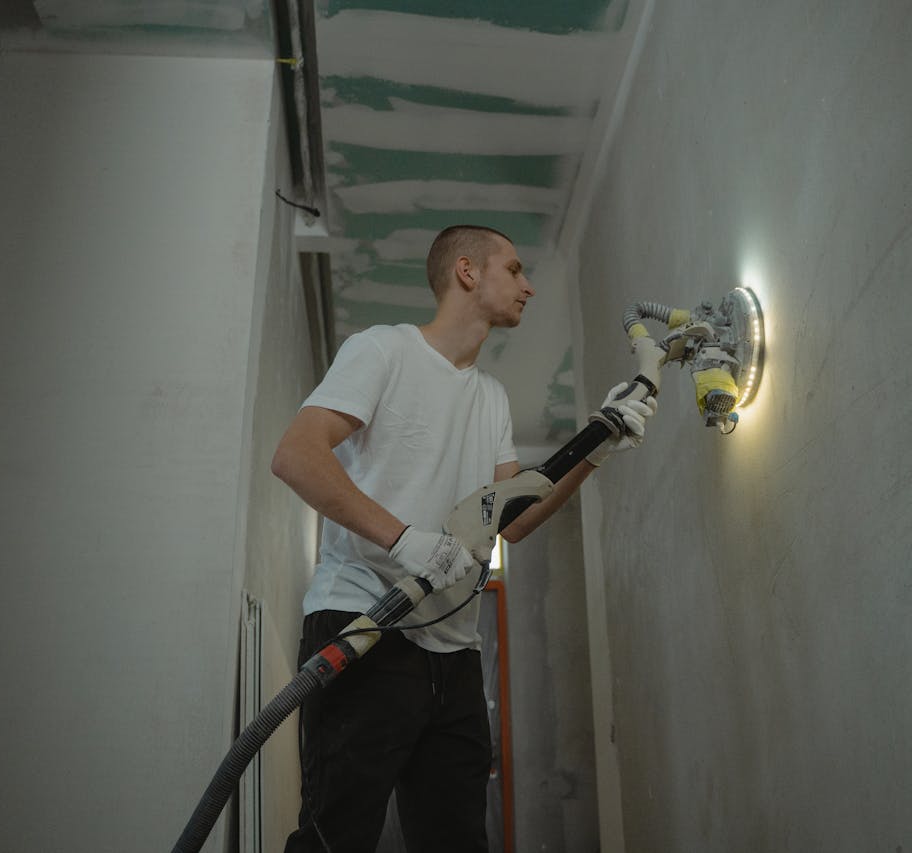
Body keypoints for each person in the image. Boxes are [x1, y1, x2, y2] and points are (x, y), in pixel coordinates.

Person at [271, 224, 655, 852]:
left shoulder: (491, 398)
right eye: (514, 269)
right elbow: (297, 456)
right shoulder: (383, 351)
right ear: (468, 272)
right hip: (365, 626)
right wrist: (403, 540)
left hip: (454, 653)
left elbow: (516, 519)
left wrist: (596, 449)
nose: (528, 286)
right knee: (335, 837)